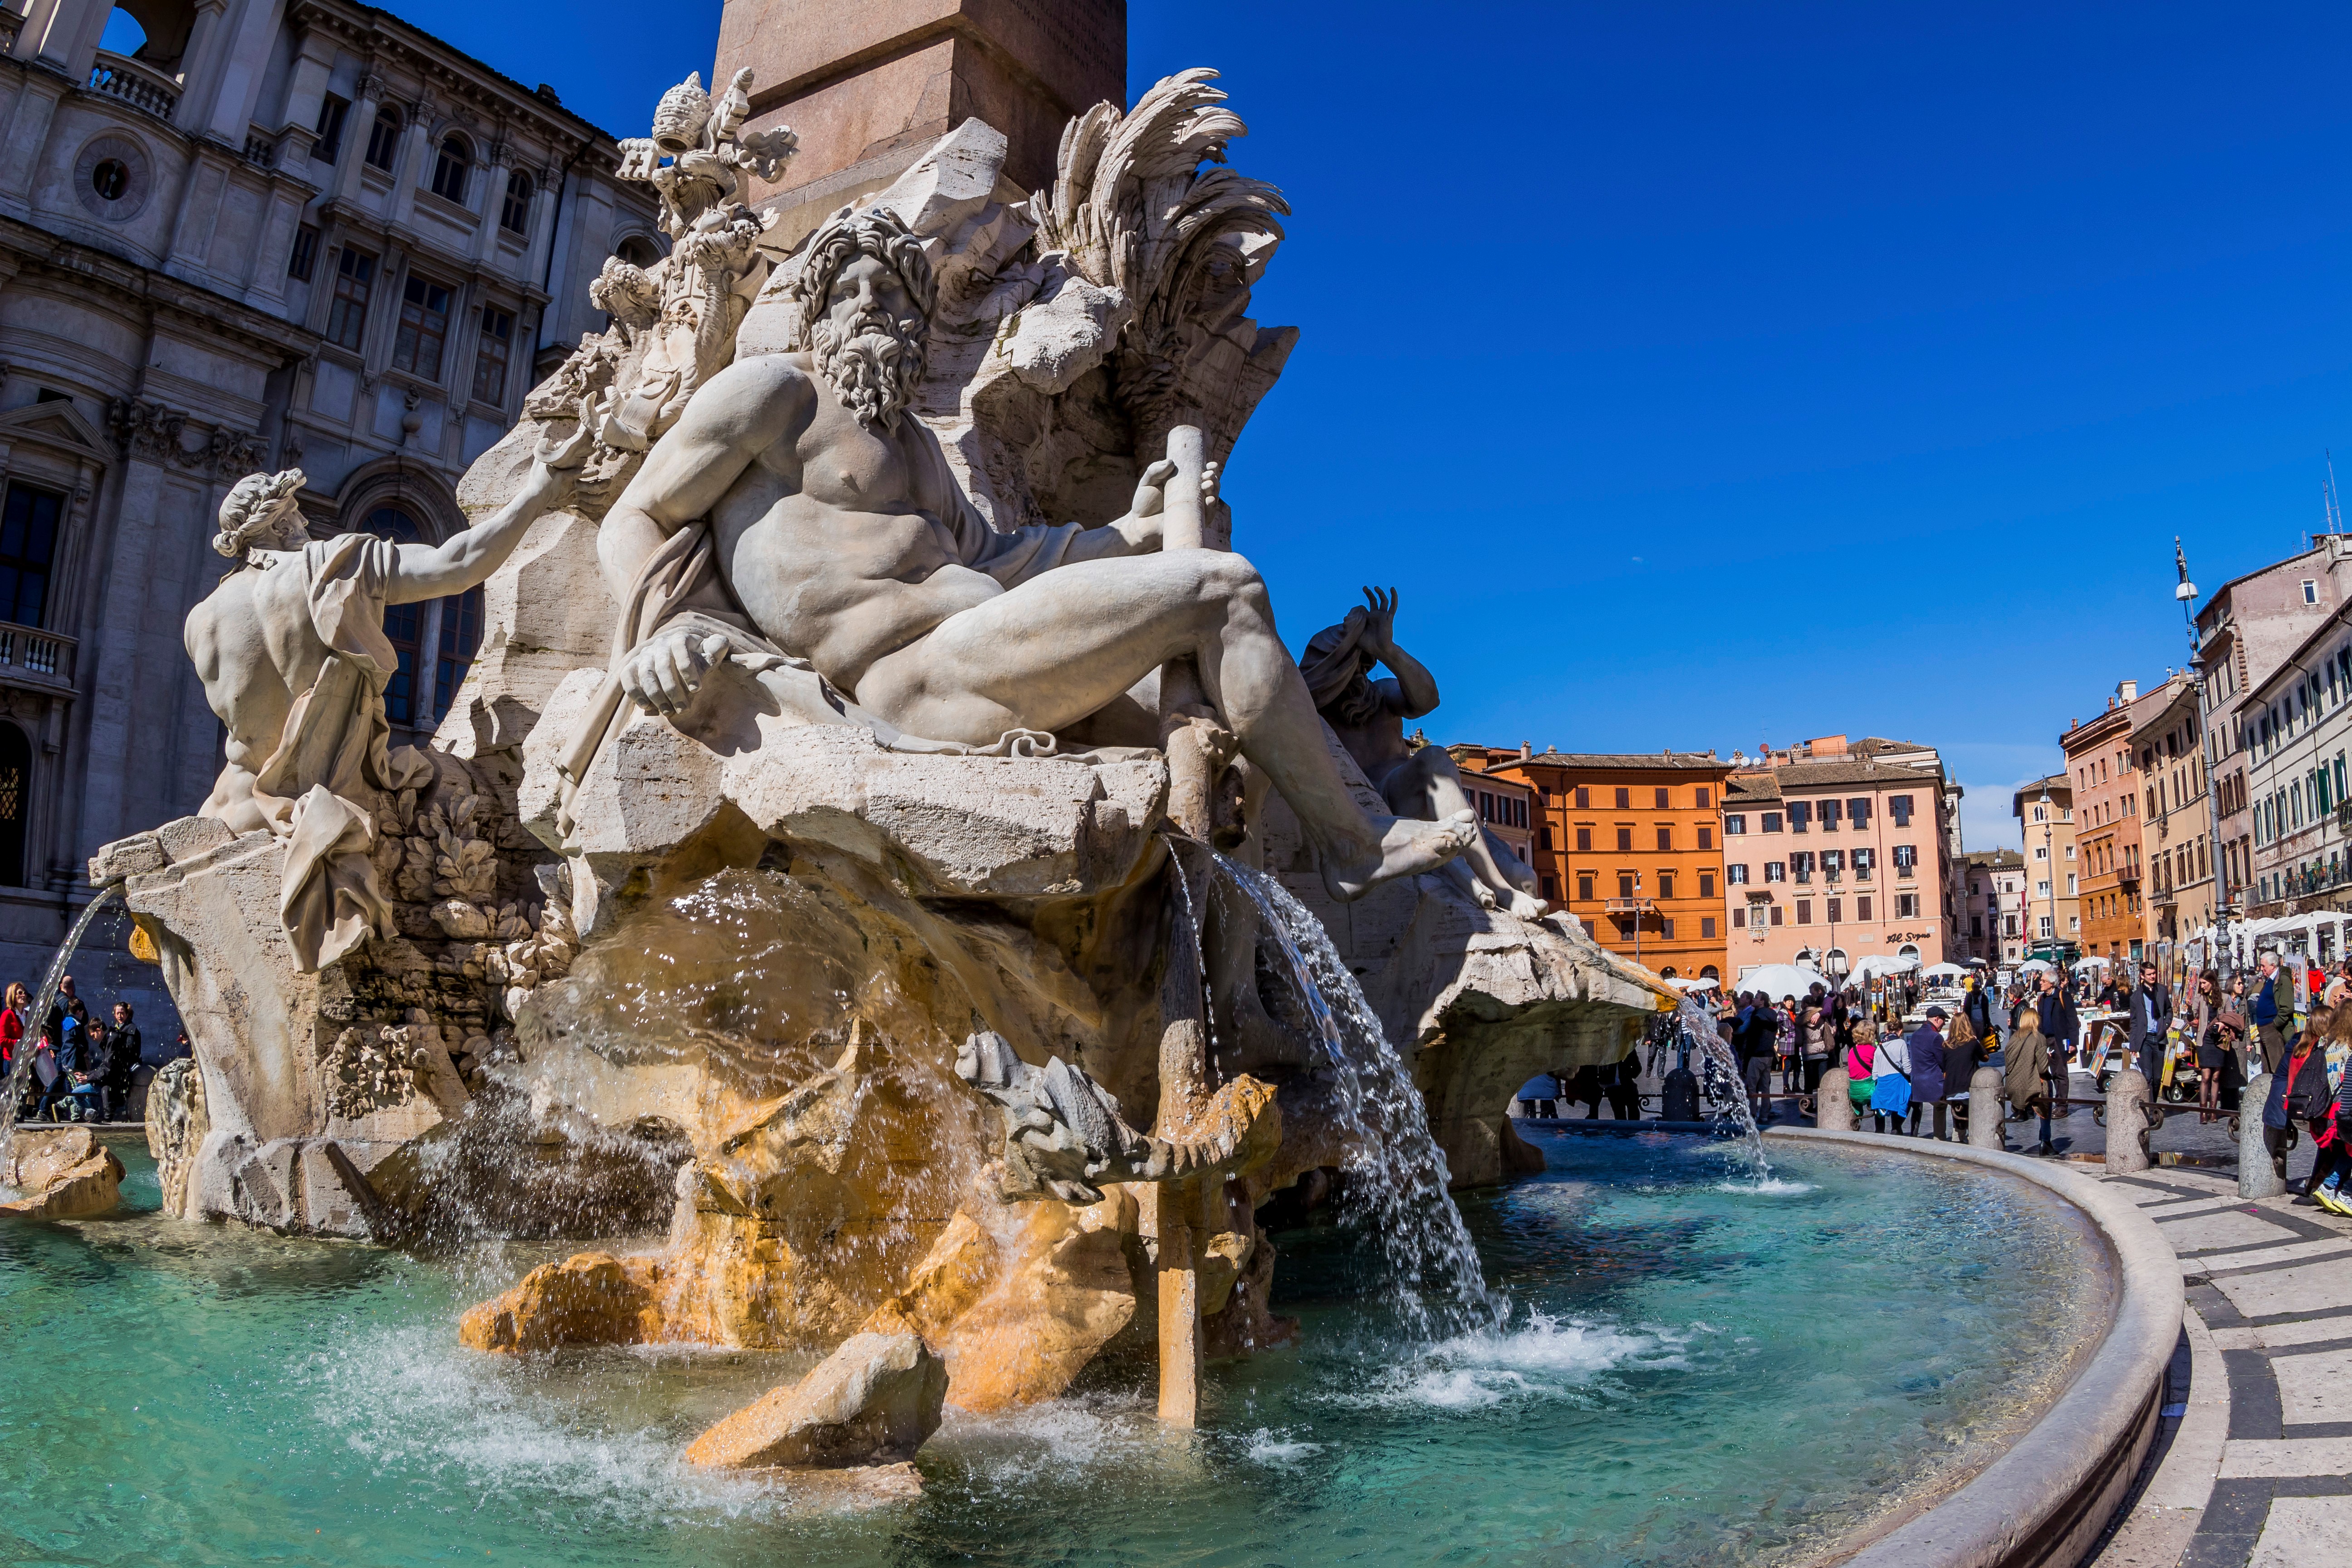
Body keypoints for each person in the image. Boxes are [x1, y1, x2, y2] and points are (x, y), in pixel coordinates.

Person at [2264, 1014, 2334, 1196]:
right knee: (2333, 1142)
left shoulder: (2299, 1045)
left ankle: (2317, 1186)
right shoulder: (2316, 1051)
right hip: (2306, 1108)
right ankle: (2324, 1187)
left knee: (2328, 1145)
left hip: (2294, 1106)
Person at [2191, 970, 2239, 1126]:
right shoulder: (2200, 997)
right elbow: (2193, 1015)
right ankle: (2203, 1111)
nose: (2202, 986)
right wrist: (2192, 1018)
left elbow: (2231, 1017)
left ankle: (2214, 1111)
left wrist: (2223, 1024)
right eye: (2201, 983)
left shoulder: (2224, 998)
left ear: (2212, 982)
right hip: (2204, 1040)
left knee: (2216, 1077)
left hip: (2219, 1041)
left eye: (2204, 983)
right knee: (2205, 1077)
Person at [2127, 960, 2174, 1100]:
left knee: (2158, 1077)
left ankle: (2153, 1105)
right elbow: (2134, 1022)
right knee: (2148, 1076)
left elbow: (2169, 1010)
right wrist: (2133, 1045)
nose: (2153, 977)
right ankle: (2151, 1107)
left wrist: (2166, 1024)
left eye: (2154, 973)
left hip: (2159, 1037)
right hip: (2145, 1039)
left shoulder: (2162, 990)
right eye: (2149, 974)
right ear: (2142, 976)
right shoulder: (2136, 997)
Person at [2036, 971, 2079, 1119]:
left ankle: (2062, 1107)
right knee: (2052, 1073)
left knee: (2061, 1073)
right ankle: (2056, 1102)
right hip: (2046, 1040)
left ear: (2052, 983)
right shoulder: (2042, 999)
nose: (2040, 983)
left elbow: (2073, 1020)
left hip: (2059, 1040)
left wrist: (2074, 1042)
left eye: (2043, 981)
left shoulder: (2063, 997)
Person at [1907, 1007, 1951, 1140]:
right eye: (1943, 1020)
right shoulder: (1935, 1037)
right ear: (1937, 1019)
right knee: (1950, 1103)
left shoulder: (1915, 1035)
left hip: (1917, 1084)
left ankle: (1914, 1135)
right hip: (1932, 1084)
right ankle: (1941, 1138)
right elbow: (1943, 1062)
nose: (1944, 1023)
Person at [1943, 1013, 1986, 1142]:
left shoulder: (1946, 1046)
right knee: (1974, 1121)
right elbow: (1986, 1057)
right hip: (1969, 1088)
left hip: (1952, 1091)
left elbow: (1944, 1068)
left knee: (1958, 1124)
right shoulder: (1972, 1043)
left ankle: (1957, 1148)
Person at [1869, 1016, 1913, 1134]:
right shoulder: (1901, 1043)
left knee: (1878, 1101)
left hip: (1883, 1086)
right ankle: (1896, 1127)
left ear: (1887, 1031)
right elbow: (1908, 1069)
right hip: (1897, 1084)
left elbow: (1875, 1075)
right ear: (1901, 1031)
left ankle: (1879, 1131)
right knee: (1908, 1096)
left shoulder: (1880, 1047)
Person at [2250, 951, 2288, 1073]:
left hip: (2271, 1027)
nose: (2261, 969)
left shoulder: (2280, 980)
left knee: (2276, 1066)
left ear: (2273, 965)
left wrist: (2276, 1023)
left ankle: (2279, 1092)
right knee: (2266, 1068)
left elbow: (2287, 1007)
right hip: (2263, 1028)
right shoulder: (2269, 980)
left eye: (2263, 966)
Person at [1845, 1021, 1879, 1123]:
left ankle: (1857, 1118)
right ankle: (1880, 1130)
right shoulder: (1873, 1051)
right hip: (1868, 1092)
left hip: (1854, 1092)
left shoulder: (1852, 1050)